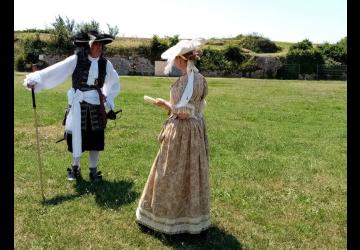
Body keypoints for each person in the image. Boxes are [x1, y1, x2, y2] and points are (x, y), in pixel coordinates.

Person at [23, 30, 120, 183]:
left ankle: (93, 170)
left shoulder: (105, 64)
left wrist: (108, 96)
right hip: (78, 105)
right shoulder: (76, 59)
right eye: (95, 44)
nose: (98, 48)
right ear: (88, 46)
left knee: (95, 139)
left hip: (96, 106)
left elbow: (114, 81)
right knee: (76, 136)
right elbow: (57, 70)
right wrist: (36, 79)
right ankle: (75, 167)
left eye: (100, 45)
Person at [136, 38, 210, 235]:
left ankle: (168, 218)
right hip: (195, 130)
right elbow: (199, 105)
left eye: (176, 59)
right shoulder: (201, 79)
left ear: (180, 60)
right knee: (190, 170)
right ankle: (192, 217)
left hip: (183, 132)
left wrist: (164, 105)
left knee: (170, 171)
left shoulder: (184, 81)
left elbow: (184, 111)